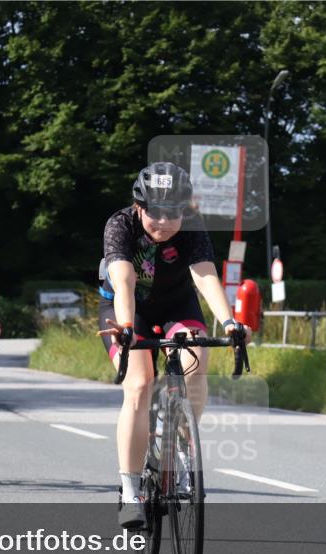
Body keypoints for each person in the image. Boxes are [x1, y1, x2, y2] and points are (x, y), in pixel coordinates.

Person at [97, 162, 252, 528]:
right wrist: (125, 328)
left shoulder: (193, 226)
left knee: (196, 359)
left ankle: (183, 449)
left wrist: (229, 322)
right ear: (139, 206)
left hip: (177, 305)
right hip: (126, 308)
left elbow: (205, 275)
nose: (164, 221)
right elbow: (123, 281)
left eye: (173, 213)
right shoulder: (120, 224)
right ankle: (131, 489)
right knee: (139, 384)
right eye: (155, 212)